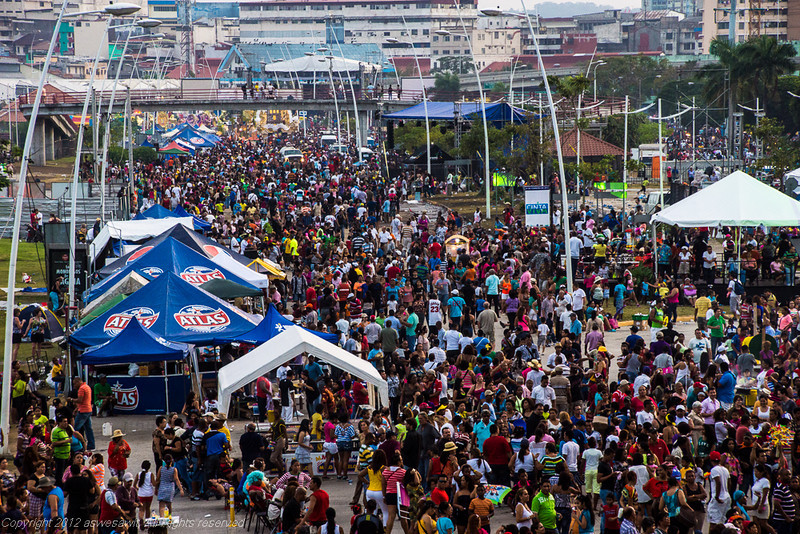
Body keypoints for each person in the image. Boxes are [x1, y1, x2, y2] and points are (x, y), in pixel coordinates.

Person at [72, 376, 95, 451]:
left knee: (75, 429)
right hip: (88, 409)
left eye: (75, 384)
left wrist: (72, 399)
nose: (74, 386)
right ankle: (91, 445)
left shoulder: (81, 389)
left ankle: (76, 444)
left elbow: (80, 400)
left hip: (83, 411)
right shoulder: (87, 387)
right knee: (88, 429)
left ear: (78, 382)